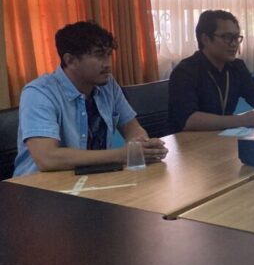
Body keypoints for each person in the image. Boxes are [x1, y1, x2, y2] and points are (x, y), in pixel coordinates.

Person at [14, 21, 168, 176]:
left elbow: (132, 128)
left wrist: (143, 147)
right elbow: (47, 158)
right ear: (70, 60)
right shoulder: (39, 93)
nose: (108, 64)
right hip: (36, 189)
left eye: (109, 55)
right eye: (99, 56)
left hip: (92, 180)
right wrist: (122, 155)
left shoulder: (108, 85)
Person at [168, 10, 254, 132]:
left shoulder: (237, 67)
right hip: (191, 144)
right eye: (227, 37)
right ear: (205, 39)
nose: (234, 44)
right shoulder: (185, 71)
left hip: (223, 138)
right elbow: (189, 120)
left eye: (237, 37)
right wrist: (242, 120)